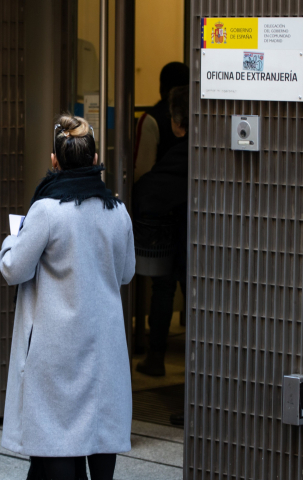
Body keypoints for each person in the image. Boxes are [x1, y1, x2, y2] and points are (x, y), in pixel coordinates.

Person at [0, 114, 135, 480]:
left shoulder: (46, 211)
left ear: (54, 160)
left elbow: (13, 269)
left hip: (56, 348)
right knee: (102, 432)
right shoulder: (118, 211)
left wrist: (11, 240)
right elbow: (126, 273)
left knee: (56, 437)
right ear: (95, 160)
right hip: (104, 344)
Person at [134, 85, 189, 377]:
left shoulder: (179, 154)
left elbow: (148, 186)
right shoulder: (210, 151)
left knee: (164, 289)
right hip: (201, 241)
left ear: (177, 122)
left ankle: (155, 357)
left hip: (173, 233)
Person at [134, 62, 190, 181]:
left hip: (159, 188)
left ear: (161, 88)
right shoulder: (199, 116)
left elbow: (141, 171)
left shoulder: (151, 119)